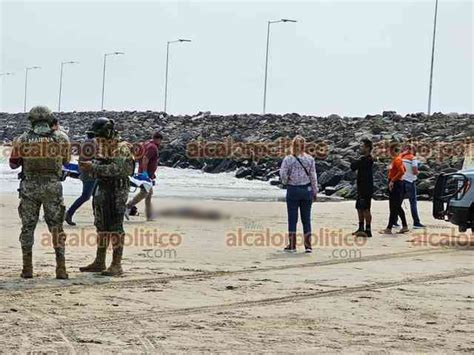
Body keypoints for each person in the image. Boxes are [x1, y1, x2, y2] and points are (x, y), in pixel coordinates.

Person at [9, 106, 71, 279]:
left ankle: (27, 269)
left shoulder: (22, 139)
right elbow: (66, 161)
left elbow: (13, 164)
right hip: (53, 186)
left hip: (30, 187)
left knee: (28, 227)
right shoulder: (62, 138)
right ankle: (61, 268)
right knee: (56, 228)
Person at [78, 118, 134, 276]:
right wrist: (91, 167)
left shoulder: (122, 148)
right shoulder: (105, 148)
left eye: (100, 137)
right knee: (101, 224)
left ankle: (116, 264)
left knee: (115, 226)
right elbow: (103, 167)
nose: (98, 140)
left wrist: (93, 166)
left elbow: (117, 169)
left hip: (117, 188)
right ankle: (100, 261)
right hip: (103, 187)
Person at [280, 136, 318, 253]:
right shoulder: (310, 159)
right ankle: (308, 246)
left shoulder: (288, 159)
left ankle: (292, 245)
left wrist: (286, 182)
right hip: (306, 190)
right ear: (304, 146)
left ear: (293, 145)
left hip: (293, 190)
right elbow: (313, 176)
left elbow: (283, 174)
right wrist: (315, 191)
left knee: (292, 219)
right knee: (306, 219)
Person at [125, 131, 162, 221]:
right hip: (146, 174)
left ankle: (149, 215)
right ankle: (128, 207)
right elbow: (145, 158)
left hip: (145, 172)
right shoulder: (153, 147)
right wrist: (145, 172)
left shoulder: (145, 143)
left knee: (149, 194)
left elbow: (137, 154)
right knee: (145, 192)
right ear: (159, 140)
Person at [65, 133, 98, 226]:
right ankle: (69, 213)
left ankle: (97, 218)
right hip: (90, 174)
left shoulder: (86, 143)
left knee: (96, 196)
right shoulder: (93, 144)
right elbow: (91, 159)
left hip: (89, 173)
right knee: (86, 196)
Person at [379, 144, 409, 234]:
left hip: (396, 185)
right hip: (397, 184)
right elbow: (404, 170)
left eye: (389, 150)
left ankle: (389, 228)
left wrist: (393, 180)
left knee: (393, 207)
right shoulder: (397, 159)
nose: (388, 152)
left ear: (392, 151)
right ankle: (404, 226)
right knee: (397, 207)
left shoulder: (397, 160)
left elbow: (402, 171)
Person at [350, 138, 374, 237]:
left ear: (367, 148)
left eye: (363, 146)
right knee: (359, 207)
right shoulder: (364, 159)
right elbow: (354, 166)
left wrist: (356, 161)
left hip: (366, 187)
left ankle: (368, 229)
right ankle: (361, 228)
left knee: (366, 208)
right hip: (361, 186)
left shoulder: (368, 159)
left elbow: (354, 166)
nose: (361, 148)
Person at [400, 144, 425, 228]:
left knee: (398, 202)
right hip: (410, 181)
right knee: (413, 202)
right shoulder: (413, 158)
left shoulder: (402, 158)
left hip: (401, 181)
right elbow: (414, 171)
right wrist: (418, 173)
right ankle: (416, 222)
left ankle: (394, 221)